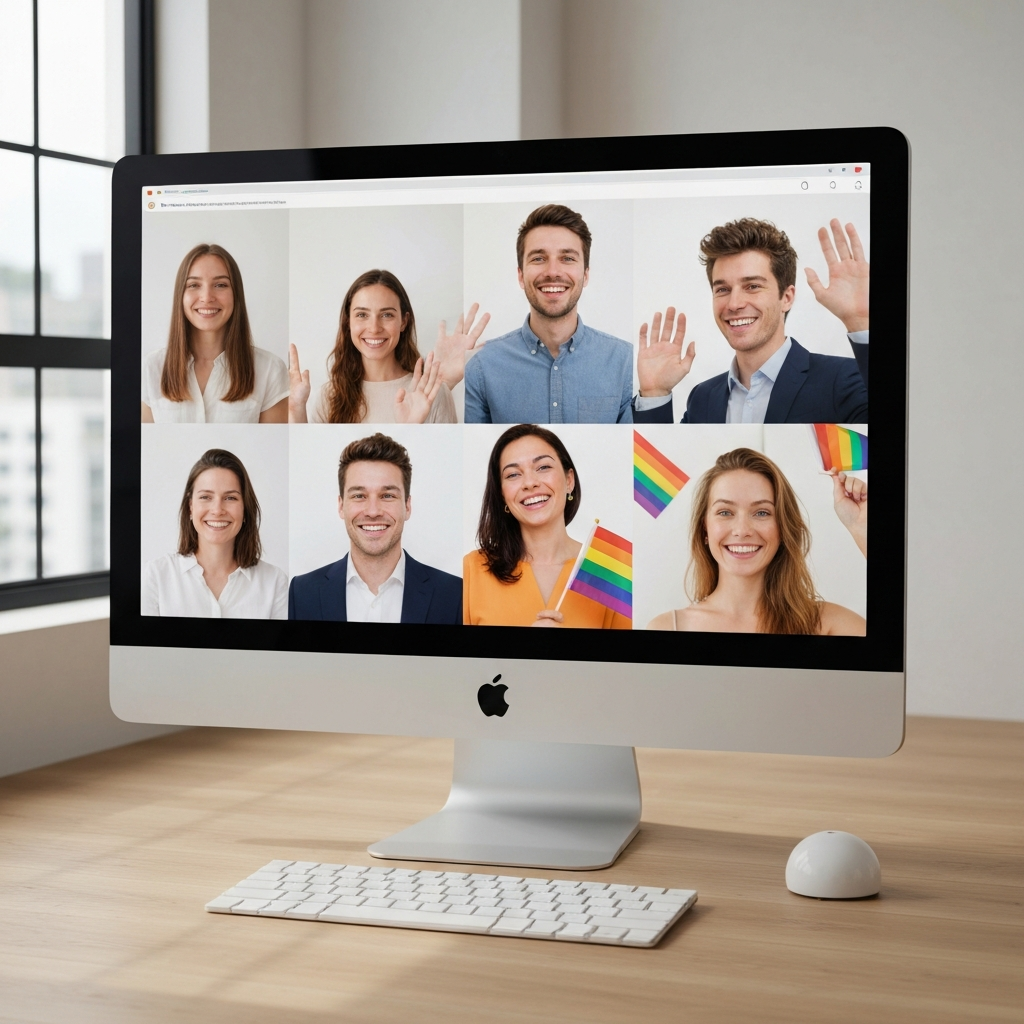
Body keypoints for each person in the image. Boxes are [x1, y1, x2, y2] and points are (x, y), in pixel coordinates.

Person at [633, 218, 869, 424]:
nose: (734, 304)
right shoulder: (702, 399)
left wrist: (862, 324)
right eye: (723, 289)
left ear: (786, 298)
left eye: (753, 286)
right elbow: (670, 467)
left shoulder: (843, 379)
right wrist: (655, 394)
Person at [647, 448, 866, 635]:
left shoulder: (830, 625)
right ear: (705, 528)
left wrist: (861, 527)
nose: (742, 530)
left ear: (782, 528)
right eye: (725, 512)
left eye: (761, 513)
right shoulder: (666, 628)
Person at [464, 205, 634, 424]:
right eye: (538, 258)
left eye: (568, 258)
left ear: (586, 274)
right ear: (520, 275)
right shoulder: (481, 367)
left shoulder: (624, 362)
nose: (553, 272)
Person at [464, 424, 631, 628]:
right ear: (502, 494)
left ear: (569, 481)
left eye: (543, 467)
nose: (530, 483)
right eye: (513, 475)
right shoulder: (473, 569)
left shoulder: (611, 568)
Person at [288, 433, 462, 623]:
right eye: (359, 496)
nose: (372, 511)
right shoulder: (301, 593)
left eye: (387, 496)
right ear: (341, 506)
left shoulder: (454, 594)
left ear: (407, 506)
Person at [288, 269, 489, 424]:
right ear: (347, 322)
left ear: (404, 321)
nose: (374, 328)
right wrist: (295, 409)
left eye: (387, 315)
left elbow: (444, 465)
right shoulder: (330, 396)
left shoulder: (433, 394)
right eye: (362, 315)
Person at [142, 244, 289, 423]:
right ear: (181, 294)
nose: (206, 297)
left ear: (236, 294)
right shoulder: (151, 368)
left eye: (220, 285)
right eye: (194, 285)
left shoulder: (269, 370)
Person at [142, 449, 288, 618]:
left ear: (245, 508)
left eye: (230, 498)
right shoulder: (156, 576)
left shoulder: (275, 582)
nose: (217, 510)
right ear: (190, 506)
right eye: (205, 497)